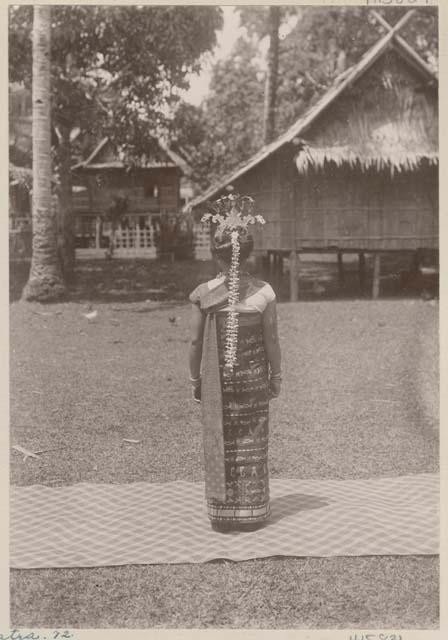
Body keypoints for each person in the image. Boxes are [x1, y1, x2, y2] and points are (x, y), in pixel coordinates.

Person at [188, 194, 281, 533]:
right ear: (250, 252)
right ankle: (252, 511)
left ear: (215, 254)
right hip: (254, 382)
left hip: (217, 385)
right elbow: (271, 340)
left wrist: (194, 380)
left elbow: (196, 342)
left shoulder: (203, 293)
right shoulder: (264, 292)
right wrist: (277, 377)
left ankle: (222, 514)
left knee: (221, 438)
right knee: (251, 441)